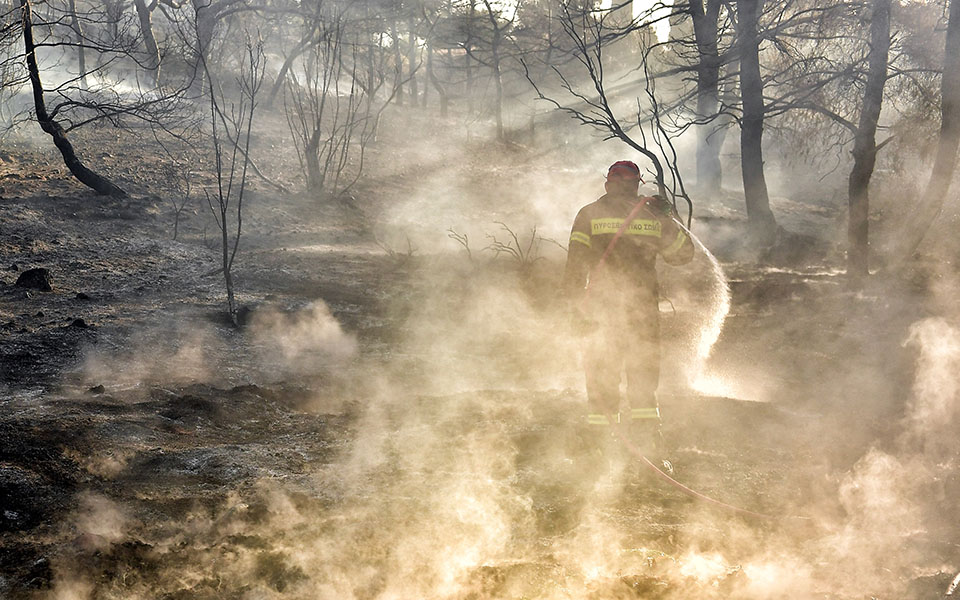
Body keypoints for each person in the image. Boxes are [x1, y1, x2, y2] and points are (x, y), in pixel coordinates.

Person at [563, 160, 694, 454]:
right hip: (638, 308)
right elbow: (683, 255)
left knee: (603, 369)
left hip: (603, 308)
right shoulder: (648, 216)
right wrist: (667, 218)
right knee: (641, 369)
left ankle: (601, 441)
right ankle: (644, 438)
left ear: (608, 184)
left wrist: (573, 306)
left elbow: (575, 266)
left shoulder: (590, 214)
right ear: (634, 185)